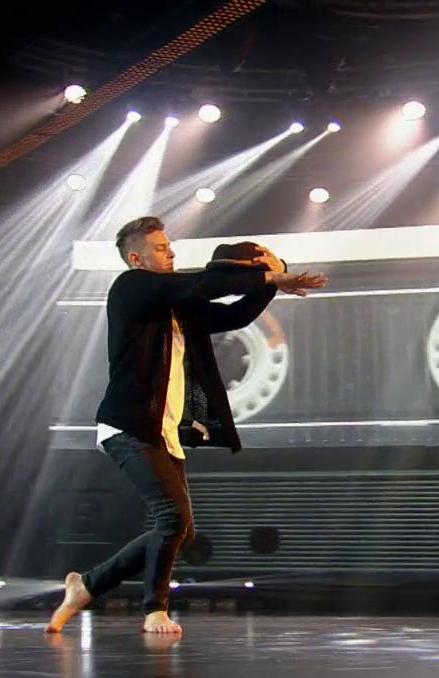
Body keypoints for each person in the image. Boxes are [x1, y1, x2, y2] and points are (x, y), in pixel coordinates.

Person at [45, 216, 326, 634]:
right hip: (128, 425)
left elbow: (232, 316)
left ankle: (86, 586)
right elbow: (206, 283)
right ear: (136, 258)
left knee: (182, 531)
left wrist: (271, 285)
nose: (171, 253)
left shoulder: (176, 305)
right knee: (171, 517)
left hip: (161, 432)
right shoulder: (130, 287)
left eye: (170, 246)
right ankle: (154, 609)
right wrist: (269, 274)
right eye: (161, 248)